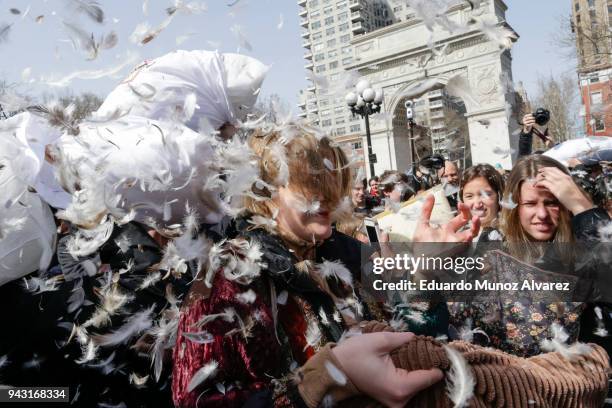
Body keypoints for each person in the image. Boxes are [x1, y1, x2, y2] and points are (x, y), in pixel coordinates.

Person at [171, 123, 443, 407]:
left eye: (328, 179)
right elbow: (197, 399)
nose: (324, 195)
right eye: (308, 183)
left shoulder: (348, 254)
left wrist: (427, 274)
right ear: (267, 192)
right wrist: (321, 379)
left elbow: (414, 339)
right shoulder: (229, 273)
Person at [458, 163, 505, 242]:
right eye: (469, 196)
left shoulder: (516, 235)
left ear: (499, 197)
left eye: (485, 195)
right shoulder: (457, 237)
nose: (477, 205)